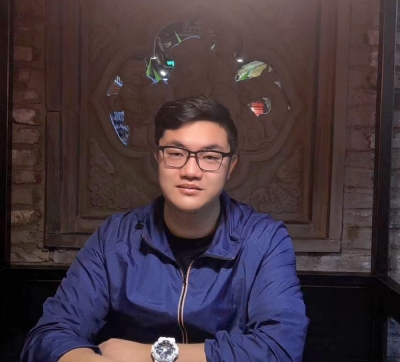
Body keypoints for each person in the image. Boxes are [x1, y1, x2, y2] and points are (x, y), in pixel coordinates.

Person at [20, 96, 309, 362]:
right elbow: (48, 337)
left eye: (210, 157)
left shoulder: (264, 239)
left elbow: (280, 348)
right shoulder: (115, 237)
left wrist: (149, 354)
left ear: (230, 166)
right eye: (175, 153)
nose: (191, 171)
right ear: (158, 158)